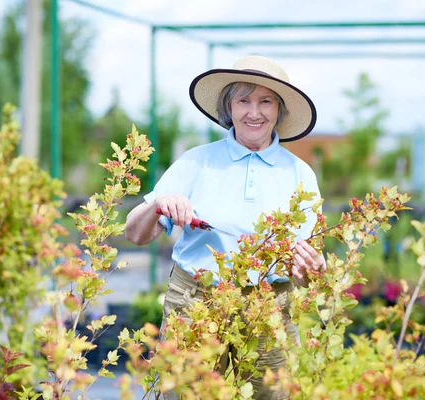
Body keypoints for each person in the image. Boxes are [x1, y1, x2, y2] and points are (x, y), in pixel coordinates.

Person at [125, 55, 326, 399]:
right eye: (243, 100)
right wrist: (159, 204)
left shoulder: (299, 174)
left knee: (275, 395)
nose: (254, 112)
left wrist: (314, 269)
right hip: (195, 300)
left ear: (280, 110)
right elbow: (134, 233)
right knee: (186, 393)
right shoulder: (196, 161)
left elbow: (307, 270)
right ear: (228, 106)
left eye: (266, 101)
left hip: (270, 304)